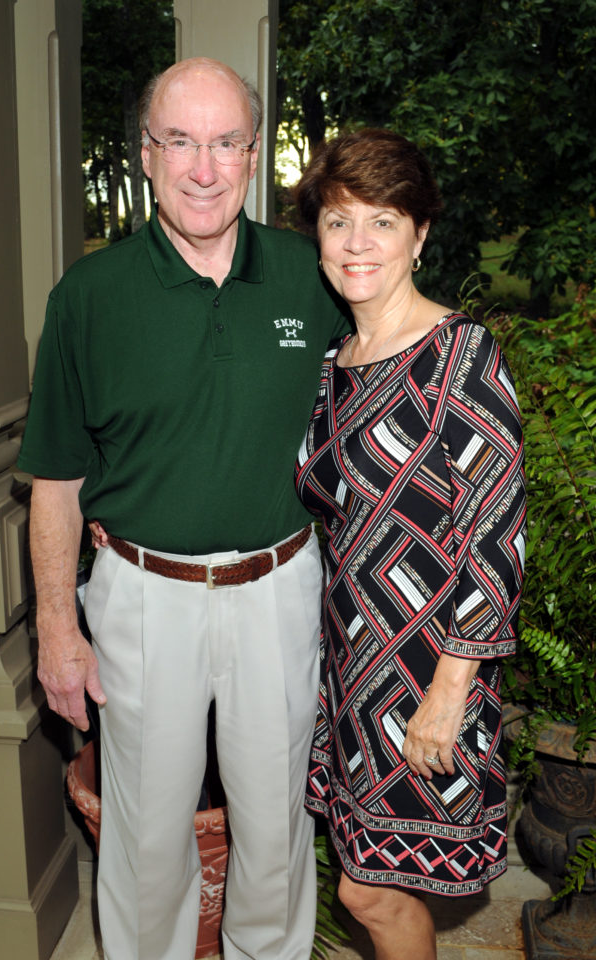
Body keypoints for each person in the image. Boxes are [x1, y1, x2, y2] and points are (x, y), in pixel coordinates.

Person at [17, 58, 349, 960]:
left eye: (226, 142)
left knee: (276, 827)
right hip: (140, 594)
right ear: (148, 156)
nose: (205, 167)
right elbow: (53, 481)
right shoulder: (88, 298)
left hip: (278, 588)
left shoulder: (313, 279)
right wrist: (56, 629)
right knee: (146, 833)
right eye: (181, 142)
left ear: (253, 155)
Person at [294, 128, 526, 960]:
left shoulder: (461, 355)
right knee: (366, 877)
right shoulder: (335, 361)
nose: (358, 244)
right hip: (354, 665)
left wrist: (450, 689)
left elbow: (497, 534)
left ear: (421, 235)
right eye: (338, 221)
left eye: (383, 221)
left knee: (370, 889)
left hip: (428, 668)